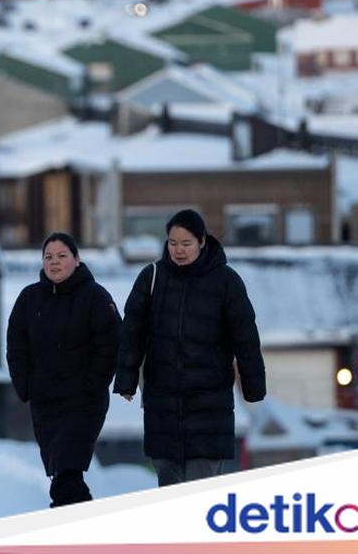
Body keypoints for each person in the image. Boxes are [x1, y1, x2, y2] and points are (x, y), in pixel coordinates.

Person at [113, 209, 266, 487]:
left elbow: (245, 336)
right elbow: (132, 331)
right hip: (163, 405)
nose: (179, 250)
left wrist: (253, 386)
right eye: (173, 243)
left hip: (210, 405)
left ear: (202, 241)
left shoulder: (226, 281)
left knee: (201, 486)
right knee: (169, 488)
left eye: (186, 243)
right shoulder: (152, 278)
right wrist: (126, 380)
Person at [7, 232, 121, 507]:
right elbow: (16, 345)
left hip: (83, 404)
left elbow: (113, 344)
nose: (54, 262)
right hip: (45, 404)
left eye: (62, 256)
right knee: (62, 475)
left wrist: (93, 385)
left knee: (66, 476)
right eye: (48, 257)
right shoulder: (29, 299)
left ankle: (65, 524)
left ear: (77, 260)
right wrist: (25, 386)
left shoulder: (95, 297)